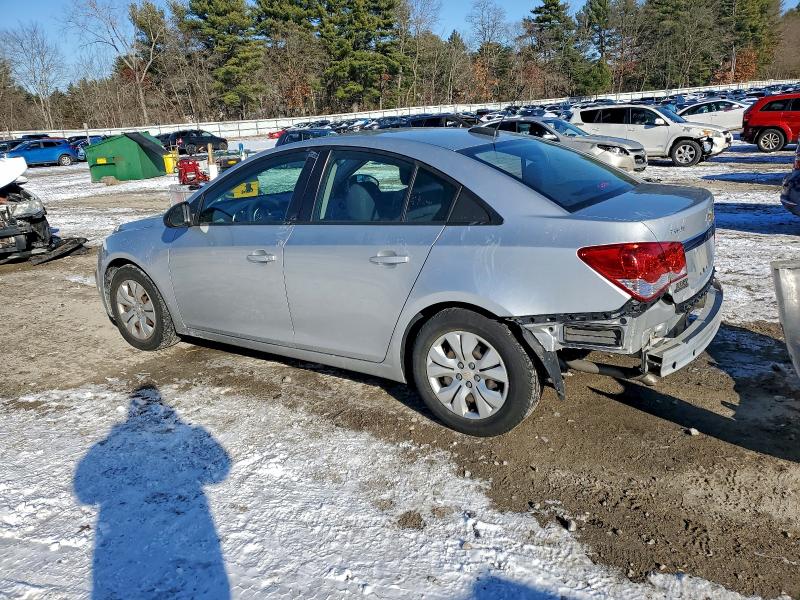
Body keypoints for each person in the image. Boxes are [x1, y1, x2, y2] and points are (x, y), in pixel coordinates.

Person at [74, 385, 231, 599]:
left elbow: (85, 492)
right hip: (185, 545)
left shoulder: (112, 445)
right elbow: (219, 470)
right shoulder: (186, 437)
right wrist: (199, 436)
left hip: (131, 549)